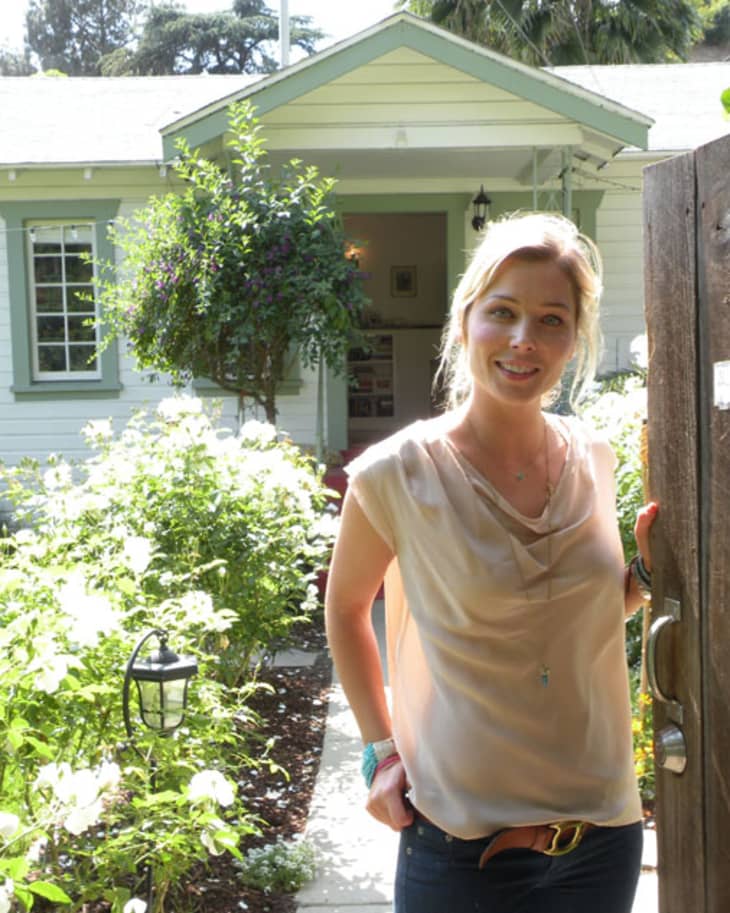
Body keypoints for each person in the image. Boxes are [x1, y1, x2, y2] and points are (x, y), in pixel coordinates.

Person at [324, 211, 658, 913]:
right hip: (459, 851)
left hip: (601, 838)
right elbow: (348, 607)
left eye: (551, 320)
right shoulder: (394, 474)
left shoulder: (593, 458)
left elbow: (586, 612)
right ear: (464, 319)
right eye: (501, 312)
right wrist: (380, 749)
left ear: (574, 339)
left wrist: (647, 578)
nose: (522, 340)